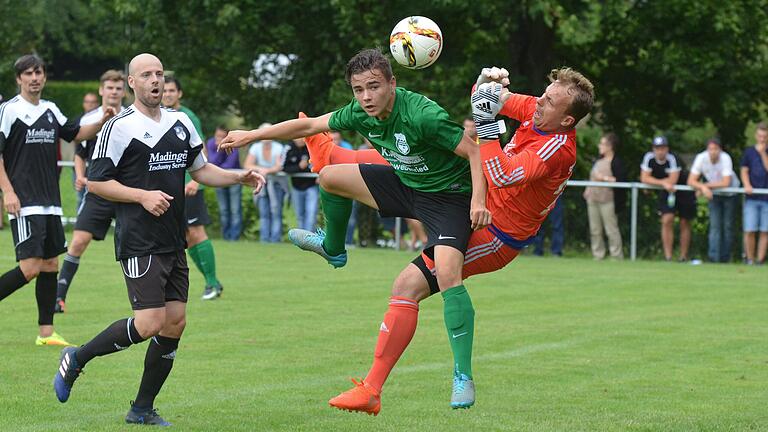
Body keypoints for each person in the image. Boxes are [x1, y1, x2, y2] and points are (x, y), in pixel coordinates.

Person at [251, 66, 592, 414]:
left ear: (566, 121)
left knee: (417, 283)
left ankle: (459, 377)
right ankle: (371, 391)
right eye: (544, 94)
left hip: (497, 234)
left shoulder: (557, 149)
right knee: (400, 166)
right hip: (471, 201)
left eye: (549, 102)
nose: (538, 103)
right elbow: (489, 98)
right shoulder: (540, 109)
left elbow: (501, 174)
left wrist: (487, 125)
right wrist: (489, 82)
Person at [220, 48, 490, 409]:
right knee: (330, 175)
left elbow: (474, 152)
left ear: (392, 84)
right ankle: (333, 247)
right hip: (407, 184)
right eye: (358, 89)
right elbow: (308, 125)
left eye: (374, 87)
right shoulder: (359, 112)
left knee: (447, 272)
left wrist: (477, 202)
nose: (366, 97)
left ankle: (462, 376)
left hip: (448, 198)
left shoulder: (424, 115)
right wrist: (253, 134)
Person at [52, 53, 265, 425]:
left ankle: (141, 409)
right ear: (132, 83)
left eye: (160, 74)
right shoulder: (118, 127)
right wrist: (141, 195)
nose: (155, 80)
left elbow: (202, 169)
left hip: (172, 239)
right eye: (147, 74)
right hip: (138, 240)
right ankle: (77, 357)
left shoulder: (181, 123)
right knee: (149, 322)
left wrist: (240, 176)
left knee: (175, 322)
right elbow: (98, 182)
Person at [0, 54, 113, 345]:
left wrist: (102, 121)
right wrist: (8, 192)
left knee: (50, 265)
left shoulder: (51, 110)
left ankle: (46, 333)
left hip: (50, 202)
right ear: (19, 79)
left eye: (38, 72)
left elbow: (76, 133)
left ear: (44, 77)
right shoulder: (9, 110)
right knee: (30, 267)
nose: (34, 77)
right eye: (28, 73)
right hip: (24, 201)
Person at [55, 70, 126, 313]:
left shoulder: (132, 117)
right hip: (97, 191)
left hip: (126, 191)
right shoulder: (89, 119)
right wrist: (81, 176)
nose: (114, 92)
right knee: (78, 242)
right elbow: (80, 153)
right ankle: (58, 297)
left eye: (118, 88)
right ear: (101, 90)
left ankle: (146, 298)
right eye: (109, 87)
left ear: (124, 92)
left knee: (136, 244)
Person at [162, 76, 223, 299]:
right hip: (174, 188)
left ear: (180, 94)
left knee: (197, 233)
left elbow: (201, 151)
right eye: (164, 90)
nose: (167, 94)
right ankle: (212, 281)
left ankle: (212, 283)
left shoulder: (188, 117)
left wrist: (196, 181)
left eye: (171, 90)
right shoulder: (160, 115)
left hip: (191, 186)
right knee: (186, 237)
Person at [640, 135, 696, 262]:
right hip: (667, 191)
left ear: (667, 149)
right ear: (653, 149)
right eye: (657, 148)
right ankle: (668, 256)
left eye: (663, 148)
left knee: (684, 222)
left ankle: (683, 256)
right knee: (667, 219)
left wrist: (657, 182)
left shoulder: (673, 159)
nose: (660, 151)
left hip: (683, 190)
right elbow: (644, 178)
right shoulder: (648, 158)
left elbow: (672, 180)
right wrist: (663, 183)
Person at [687, 137, 739, 263]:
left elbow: (726, 182)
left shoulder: (725, 158)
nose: (713, 152)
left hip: (730, 194)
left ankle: (725, 259)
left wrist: (704, 186)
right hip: (714, 194)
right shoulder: (701, 158)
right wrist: (702, 187)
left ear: (720, 150)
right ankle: (713, 259)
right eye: (710, 149)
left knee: (727, 227)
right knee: (715, 227)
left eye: (715, 149)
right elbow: (690, 180)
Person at [243, 124, 287, 243]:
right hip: (261, 183)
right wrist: (261, 169)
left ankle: (275, 239)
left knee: (276, 211)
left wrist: (266, 171)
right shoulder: (255, 147)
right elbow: (247, 164)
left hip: (277, 184)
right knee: (263, 212)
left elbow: (279, 166)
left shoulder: (278, 147)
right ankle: (264, 239)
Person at [584, 132, 625, 259]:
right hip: (593, 198)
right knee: (595, 230)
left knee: (611, 229)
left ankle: (616, 256)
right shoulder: (597, 160)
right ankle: (598, 255)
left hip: (607, 200)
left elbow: (621, 180)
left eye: (602, 144)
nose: (599, 146)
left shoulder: (616, 162)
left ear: (610, 146)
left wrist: (604, 178)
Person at [206, 125, 243, 240]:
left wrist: (218, 166)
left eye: (222, 137)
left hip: (234, 179)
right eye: (217, 136)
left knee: (235, 209)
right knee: (224, 209)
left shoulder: (233, 144)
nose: (219, 138)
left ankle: (234, 237)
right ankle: (225, 236)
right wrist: (220, 149)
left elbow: (231, 164)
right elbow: (212, 162)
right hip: (219, 179)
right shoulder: (211, 143)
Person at [740, 122, 768, 264]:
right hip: (752, 198)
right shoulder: (749, 152)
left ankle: (760, 260)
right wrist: (747, 185)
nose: (762, 139)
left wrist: (763, 153)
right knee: (750, 229)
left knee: (765, 231)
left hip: (766, 199)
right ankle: (750, 259)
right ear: (756, 136)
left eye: (765, 136)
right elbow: (744, 170)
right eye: (760, 136)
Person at [283, 137, 319, 232]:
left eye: (302, 137)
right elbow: (285, 168)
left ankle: (310, 237)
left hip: (311, 186)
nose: (300, 139)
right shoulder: (289, 149)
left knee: (311, 213)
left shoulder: (312, 148)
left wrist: (320, 174)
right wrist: (299, 167)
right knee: (300, 215)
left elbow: (321, 164)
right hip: (296, 187)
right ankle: (302, 238)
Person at [73, 92, 101, 210]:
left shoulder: (126, 115)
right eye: (87, 102)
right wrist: (79, 175)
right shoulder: (82, 120)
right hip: (90, 172)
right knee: (83, 200)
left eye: (93, 102)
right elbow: (80, 152)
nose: (90, 105)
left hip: (117, 178)